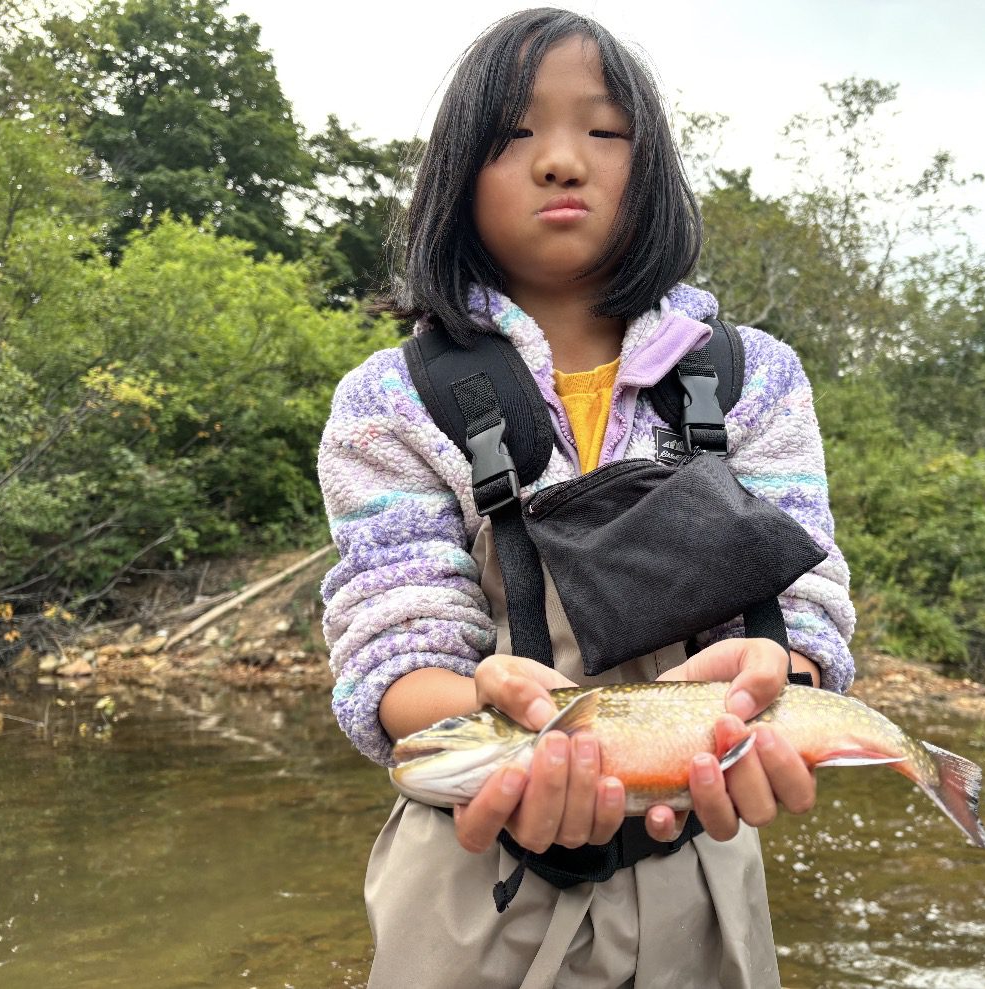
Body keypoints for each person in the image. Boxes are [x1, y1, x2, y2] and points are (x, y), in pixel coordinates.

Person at [318, 8, 855, 987]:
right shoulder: (392, 402)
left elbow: (803, 602)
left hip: (702, 856)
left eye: (605, 130)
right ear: (455, 175)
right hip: (471, 870)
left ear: (652, 173)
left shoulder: (754, 380)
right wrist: (502, 726)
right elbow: (394, 638)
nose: (562, 160)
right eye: (515, 133)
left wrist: (789, 680)